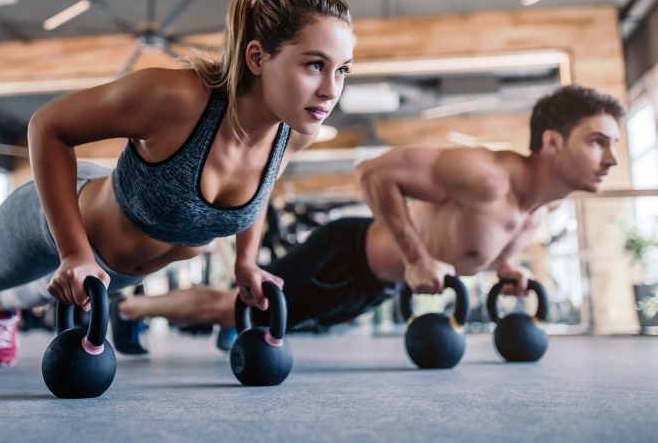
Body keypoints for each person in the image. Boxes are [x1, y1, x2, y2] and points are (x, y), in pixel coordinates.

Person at [0, 0, 355, 371]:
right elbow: (48, 126)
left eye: (343, 70)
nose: (331, 89)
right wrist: (73, 252)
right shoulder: (176, 99)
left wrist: (246, 262)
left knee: (45, 287)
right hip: (58, 217)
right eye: (315, 64)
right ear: (257, 57)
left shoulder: (293, 131)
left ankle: (5, 309)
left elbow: (257, 194)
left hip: (106, 270)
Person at [109, 85, 624, 350]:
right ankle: (130, 311)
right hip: (346, 257)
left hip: (369, 286)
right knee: (232, 308)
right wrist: (418, 256)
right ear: (553, 143)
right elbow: (373, 171)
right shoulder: (485, 173)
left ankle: (150, 312)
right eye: (598, 141)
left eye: (615, 145)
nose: (612, 159)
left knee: (255, 317)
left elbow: (489, 236)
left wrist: (508, 267)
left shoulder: (543, 205)